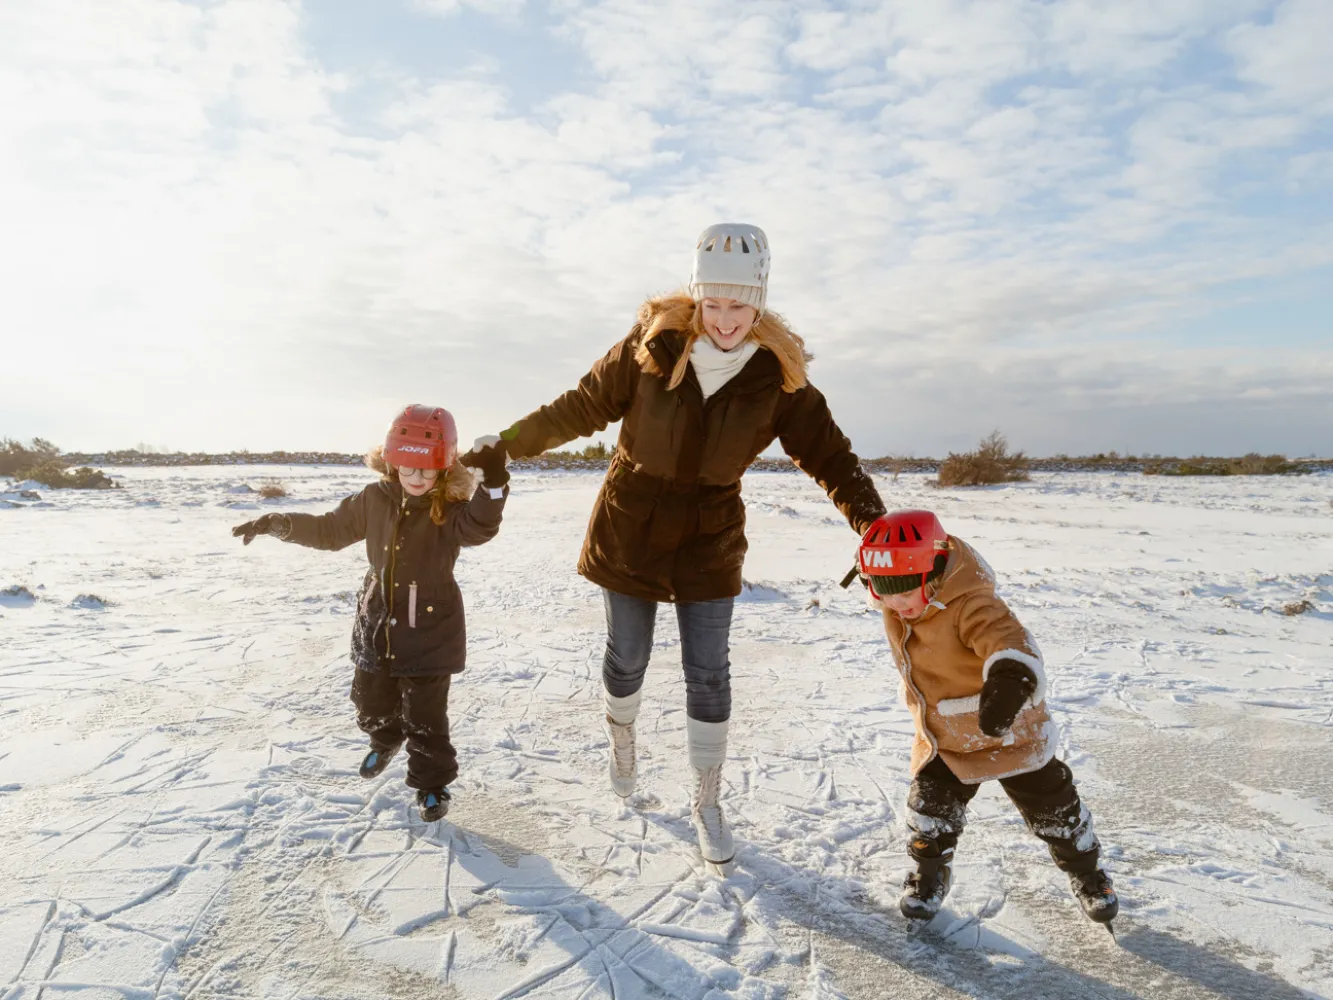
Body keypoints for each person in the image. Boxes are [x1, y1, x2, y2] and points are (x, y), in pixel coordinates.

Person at [468, 223, 885, 868]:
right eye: (712, 303)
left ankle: (707, 800)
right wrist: (507, 439)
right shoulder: (650, 346)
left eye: (740, 305)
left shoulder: (779, 376)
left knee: (709, 670)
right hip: (632, 517)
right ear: (695, 297)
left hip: (709, 531)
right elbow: (578, 407)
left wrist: (871, 520)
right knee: (627, 656)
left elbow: (829, 454)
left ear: (761, 301)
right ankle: (623, 739)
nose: (725, 320)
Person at [231, 404, 509, 823]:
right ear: (392, 461)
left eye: (426, 471)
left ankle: (432, 787)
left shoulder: (450, 508)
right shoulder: (373, 499)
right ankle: (385, 736)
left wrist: (494, 485)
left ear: (444, 468)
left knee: (427, 718)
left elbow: (480, 528)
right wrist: (278, 522)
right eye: (407, 469)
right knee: (368, 700)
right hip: (377, 622)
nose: (416, 479)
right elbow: (329, 531)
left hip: (430, 630)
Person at [854, 508, 1119, 927]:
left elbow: (1006, 637)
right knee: (930, 809)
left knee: (1054, 808)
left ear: (937, 568)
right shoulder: (898, 598)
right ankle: (928, 876)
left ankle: (1088, 874)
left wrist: (1011, 674)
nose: (895, 604)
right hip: (946, 734)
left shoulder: (970, 601)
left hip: (1008, 728)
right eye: (882, 591)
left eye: (905, 590)